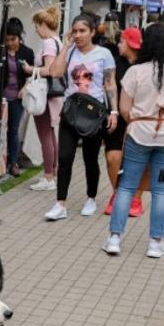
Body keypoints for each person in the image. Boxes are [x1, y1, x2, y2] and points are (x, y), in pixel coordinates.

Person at [103, 25, 164, 257]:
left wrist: (138, 120)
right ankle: (156, 242)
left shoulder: (135, 72)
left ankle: (114, 238)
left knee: (126, 185)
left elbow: (125, 108)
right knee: (162, 190)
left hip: (138, 134)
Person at [43, 13, 119, 220]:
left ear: (93, 32)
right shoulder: (69, 52)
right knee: (64, 157)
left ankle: (91, 198)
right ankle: (60, 203)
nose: (78, 35)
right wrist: (65, 47)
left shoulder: (104, 54)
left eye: (82, 31)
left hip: (94, 113)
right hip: (71, 110)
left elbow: (110, 84)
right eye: (75, 31)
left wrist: (114, 111)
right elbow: (55, 73)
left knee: (90, 158)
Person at [102, 27, 145, 218]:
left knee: (139, 161)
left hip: (140, 119)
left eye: (121, 42)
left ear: (130, 44)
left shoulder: (146, 64)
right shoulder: (115, 63)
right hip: (117, 118)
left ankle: (136, 197)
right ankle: (118, 194)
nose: (118, 45)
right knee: (113, 158)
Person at [22, 6, 63, 192]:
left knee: (45, 134)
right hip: (53, 94)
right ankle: (52, 174)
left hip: (45, 95)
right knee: (51, 135)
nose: (36, 30)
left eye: (37, 26)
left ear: (44, 25)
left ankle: (48, 176)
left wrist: (31, 70)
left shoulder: (48, 44)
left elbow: (50, 70)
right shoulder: (58, 42)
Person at [0, 18, 34, 177]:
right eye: (7, 40)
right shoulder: (0, 51)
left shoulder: (27, 52)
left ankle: (13, 162)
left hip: (17, 98)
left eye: (13, 39)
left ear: (20, 37)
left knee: (13, 130)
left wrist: (25, 88)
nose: (10, 43)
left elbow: (32, 75)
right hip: (0, 97)